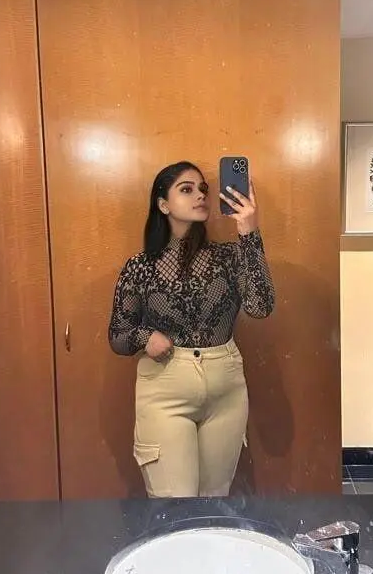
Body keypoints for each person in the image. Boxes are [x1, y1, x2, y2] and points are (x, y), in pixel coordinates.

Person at [108, 161, 275, 498]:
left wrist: (249, 232)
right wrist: (144, 337)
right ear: (163, 204)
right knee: (175, 502)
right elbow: (118, 334)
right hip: (165, 388)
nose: (200, 195)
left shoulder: (229, 256)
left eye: (203, 189)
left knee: (214, 500)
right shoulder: (140, 267)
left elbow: (261, 306)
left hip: (225, 386)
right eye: (186, 189)